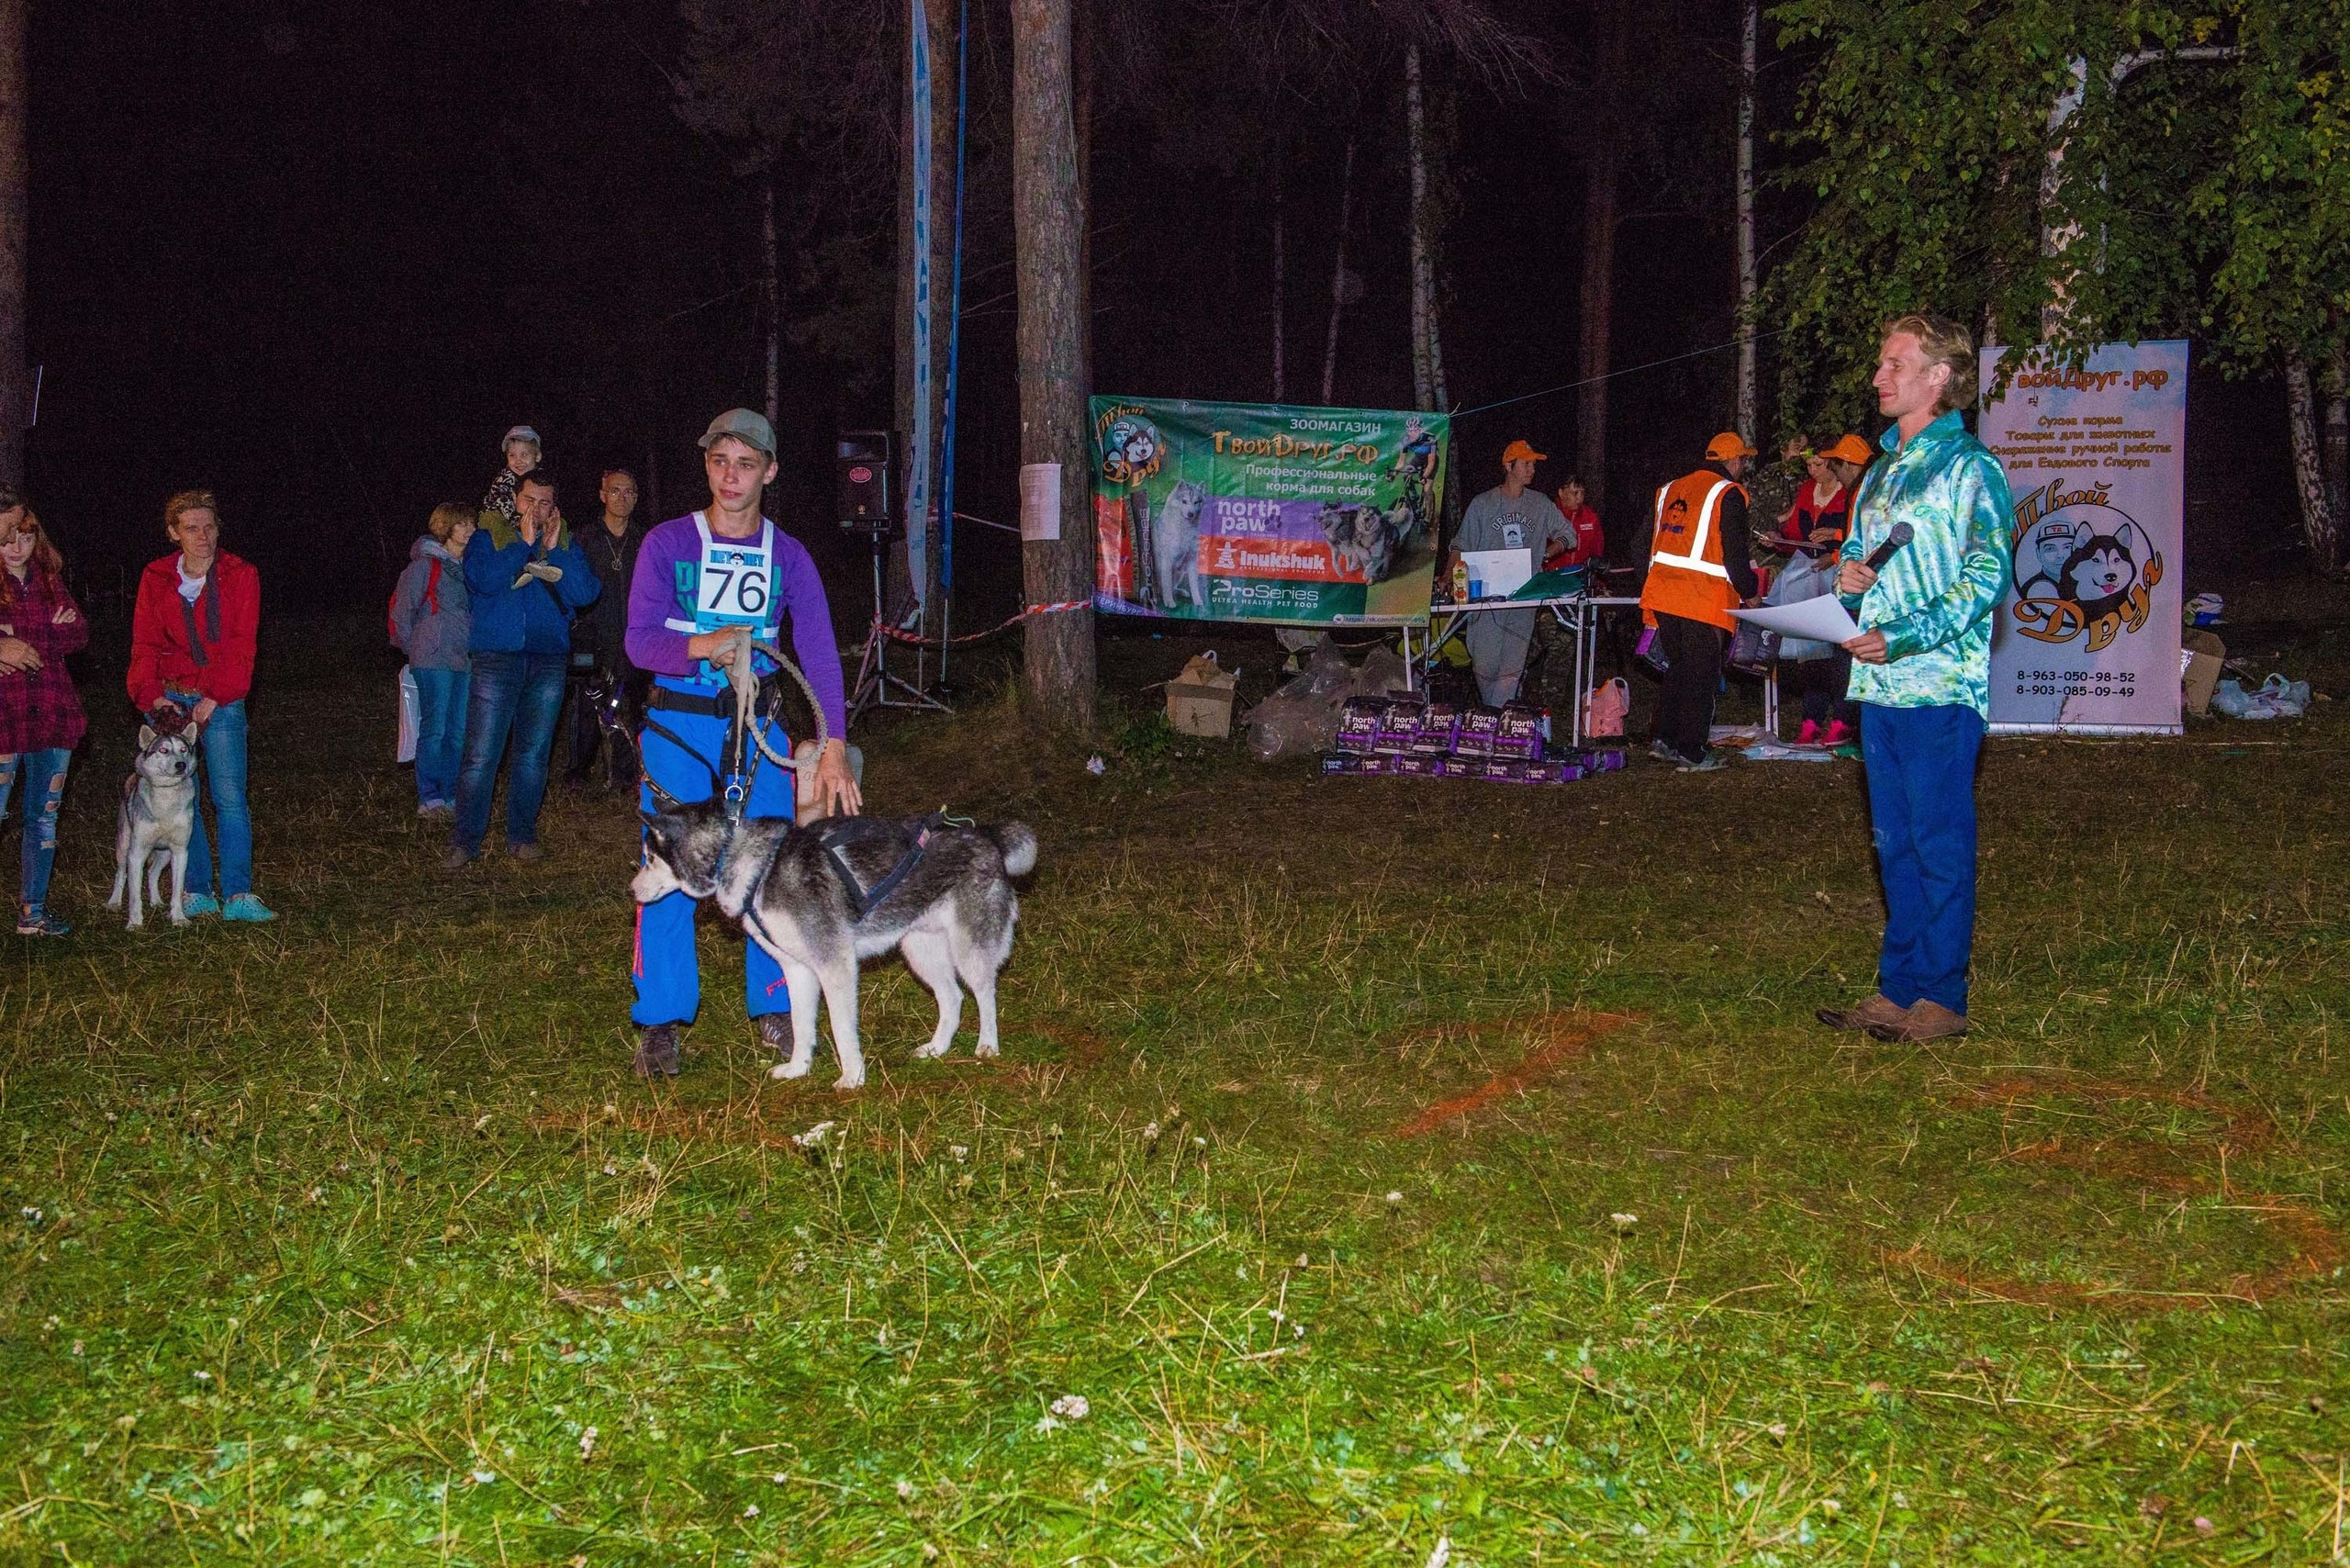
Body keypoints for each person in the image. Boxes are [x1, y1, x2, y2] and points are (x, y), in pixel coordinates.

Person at [623, 408, 857, 1081]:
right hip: (678, 725)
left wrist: (833, 744)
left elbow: (819, 650)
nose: (731, 477)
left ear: (769, 472)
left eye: (746, 464)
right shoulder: (667, 543)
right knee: (668, 868)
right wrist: (705, 644)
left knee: (773, 869)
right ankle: (661, 1020)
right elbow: (639, 642)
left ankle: (778, 1004)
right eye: (720, 461)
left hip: (757, 727)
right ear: (706, 465)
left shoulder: (790, 555)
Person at [1817, 314, 2013, 1045]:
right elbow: (1859, 555)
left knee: (1937, 841)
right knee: (1893, 842)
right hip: (1879, 688)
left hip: (1939, 685)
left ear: (1938, 377)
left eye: (1894, 364)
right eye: (1880, 363)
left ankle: (1942, 996)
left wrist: (1904, 635)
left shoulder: (1970, 467)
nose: (1878, 376)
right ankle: (1898, 990)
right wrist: (1848, 576)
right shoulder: (1880, 469)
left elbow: (1988, 576)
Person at [127, 490, 274, 920]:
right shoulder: (156, 577)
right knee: (178, 797)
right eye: (191, 528)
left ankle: (239, 894)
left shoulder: (240, 574)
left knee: (229, 797)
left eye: (209, 526)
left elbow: (242, 644)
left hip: (220, 698)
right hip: (170, 697)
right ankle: (195, 890)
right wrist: (152, 697)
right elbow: (144, 643)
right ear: (174, 533)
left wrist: (217, 695)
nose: (203, 536)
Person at [449, 470, 598, 867]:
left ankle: (522, 836)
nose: (536, 508)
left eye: (545, 502)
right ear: (516, 501)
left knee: (533, 754)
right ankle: (464, 842)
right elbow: (482, 580)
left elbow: (585, 593)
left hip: (548, 659)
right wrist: (523, 546)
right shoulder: (488, 538)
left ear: (554, 508)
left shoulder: (563, 543)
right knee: (482, 755)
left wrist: (555, 550)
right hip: (497, 657)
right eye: (529, 499)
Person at [1639, 432, 1759, 770]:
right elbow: (1735, 553)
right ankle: (1693, 752)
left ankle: (1663, 739)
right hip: (1702, 598)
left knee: (1678, 668)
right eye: (1743, 460)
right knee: (1702, 675)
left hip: (1664, 595)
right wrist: (1750, 592)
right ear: (1732, 460)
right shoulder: (1728, 493)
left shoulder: (1670, 489)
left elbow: (1640, 545)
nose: (1743, 466)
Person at [0, 496, 88, 935]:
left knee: (43, 815)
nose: (16, 547)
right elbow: (54, 635)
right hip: (5, 718)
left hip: (53, 716)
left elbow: (78, 633)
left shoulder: (50, 582)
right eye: (7, 539)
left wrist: (24, 640)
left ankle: (33, 911)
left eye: (26, 537)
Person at [1760, 433, 1871, 744]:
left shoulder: (1859, 492)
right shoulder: (1811, 490)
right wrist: (1779, 539)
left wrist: (1832, 553)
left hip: (1844, 580)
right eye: (1811, 464)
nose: (1816, 470)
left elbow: (1864, 538)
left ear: (1843, 465)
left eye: (1823, 464)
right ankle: (1812, 721)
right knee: (1813, 652)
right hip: (1812, 579)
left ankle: (1843, 721)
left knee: (1843, 653)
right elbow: (1798, 532)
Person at [1450, 439, 1572, 706]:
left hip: (1523, 599)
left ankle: (1497, 717)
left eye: (1533, 465)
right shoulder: (1483, 504)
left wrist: (1547, 552)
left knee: (1511, 668)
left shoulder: (1540, 504)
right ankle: (1495, 711)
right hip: (1485, 600)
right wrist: (1448, 575)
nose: (1532, 469)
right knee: (1485, 664)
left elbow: (1568, 534)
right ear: (1508, 466)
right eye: (1526, 464)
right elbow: (1460, 545)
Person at [389, 503, 476, 816]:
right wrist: (417, 649)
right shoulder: (424, 567)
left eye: (471, 523)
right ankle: (429, 797)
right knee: (435, 727)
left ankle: (451, 793)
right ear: (446, 527)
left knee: (458, 730)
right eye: (462, 524)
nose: (469, 530)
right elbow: (402, 612)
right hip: (433, 659)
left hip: (464, 659)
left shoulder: (471, 568)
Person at [565, 468, 645, 790]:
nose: (622, 497)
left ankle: (624, 777)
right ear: (602, 495)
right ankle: (577, 773)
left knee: (630, 705)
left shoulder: (644, 540)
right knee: (586, 704)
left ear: (636, 498)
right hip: (591, 636)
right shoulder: (583, 539)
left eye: (629, 492)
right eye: (615, 491)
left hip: (632, 636)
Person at [482, 424, 541, 535]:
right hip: (500, 520)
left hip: (525, 520)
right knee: (495, 524)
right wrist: (528, 528)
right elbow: (506, 511)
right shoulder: (504, 480)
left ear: (537, 456)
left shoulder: (541, 478)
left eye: (524, 454)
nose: (518, 461)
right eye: (512, 455)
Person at [1544, 477, 1606, 570]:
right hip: (1552, 574)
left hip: (1580, 574)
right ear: (1561, 493)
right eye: (1575, 493)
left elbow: (1597, 551)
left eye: (1582, 494)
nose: (1579, 499)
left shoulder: (1590, 518)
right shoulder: (1549, 514)